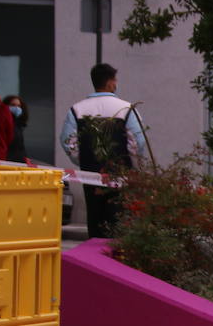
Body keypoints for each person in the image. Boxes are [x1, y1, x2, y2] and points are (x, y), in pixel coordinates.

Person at [60, 63, 147, 238]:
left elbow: (67, 141)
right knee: (118, 219)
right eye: (115, 80)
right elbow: (137, 141)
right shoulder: (126, 109)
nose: (116, 84)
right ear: (109, 83)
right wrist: (132, 164)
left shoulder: (77, 109)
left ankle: (94, 257)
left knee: (94, 218)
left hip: (90, 174)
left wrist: (84, 159)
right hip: (121, 173)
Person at [3, 95, 29, 164]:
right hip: (6, 161)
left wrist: (24, 158)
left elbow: (20, 146)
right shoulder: (3, 122)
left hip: (18, 162)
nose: (16, 108)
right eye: (13, 105)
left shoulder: (19, 124)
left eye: (19, 106)